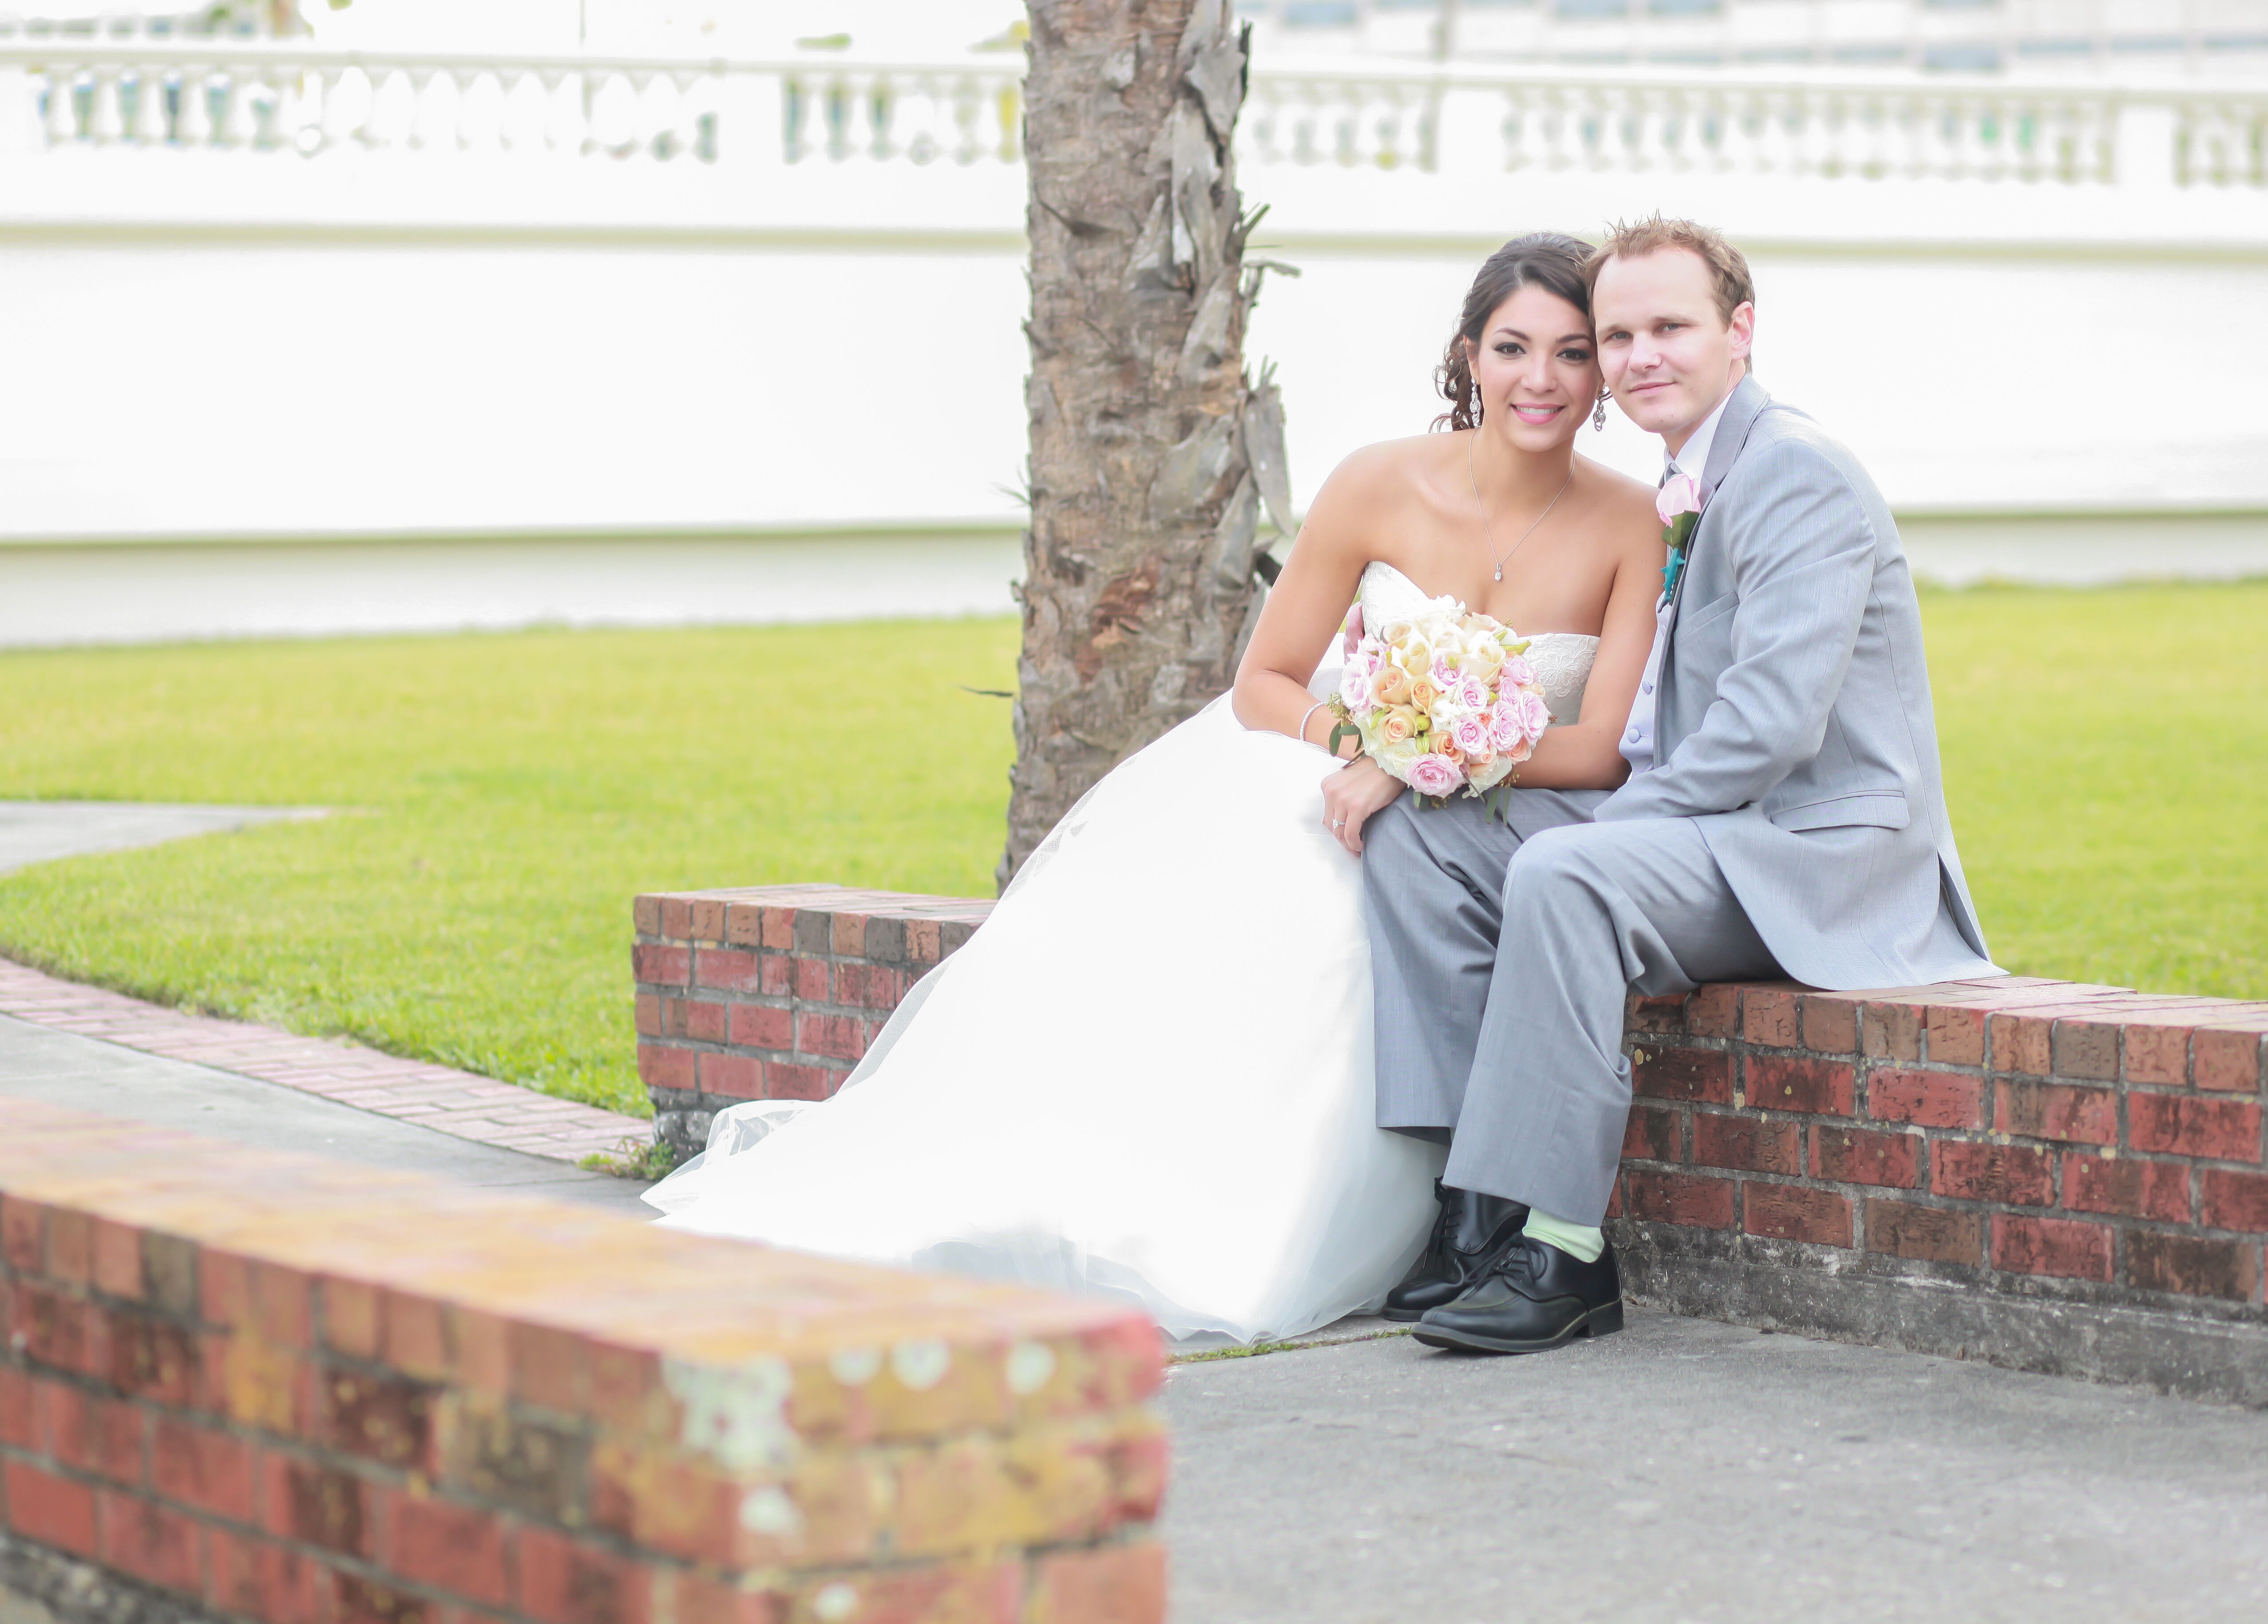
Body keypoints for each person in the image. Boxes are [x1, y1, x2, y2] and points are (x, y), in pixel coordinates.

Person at [642, 234, 1668, 1344]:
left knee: (1387, 878)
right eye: (1514, 348)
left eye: (1573, 354)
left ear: (1602, 374)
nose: (1542, 379)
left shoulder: (1628, 522)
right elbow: (1263, 684)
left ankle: (1466, 1217)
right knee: (1258, 896)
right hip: (1321, 761)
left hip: (1496, 801)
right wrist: (1356, 746)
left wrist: (1426, 762)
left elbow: (1603, 746)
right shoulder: (1377, 482)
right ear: (1469, 355)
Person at [1365, 216, 2004, 1357]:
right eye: (1619, 334)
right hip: (1716, 832)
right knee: (1427, 836)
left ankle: (1564, 1253)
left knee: (1568, 871)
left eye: (1671, 326)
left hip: (1812, 851)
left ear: (1739, 331)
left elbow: (1765, 732)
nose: (1640, 355)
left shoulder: (1794, 475)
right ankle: (1481, 1206)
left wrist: (1614, 828)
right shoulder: (1686, 479)